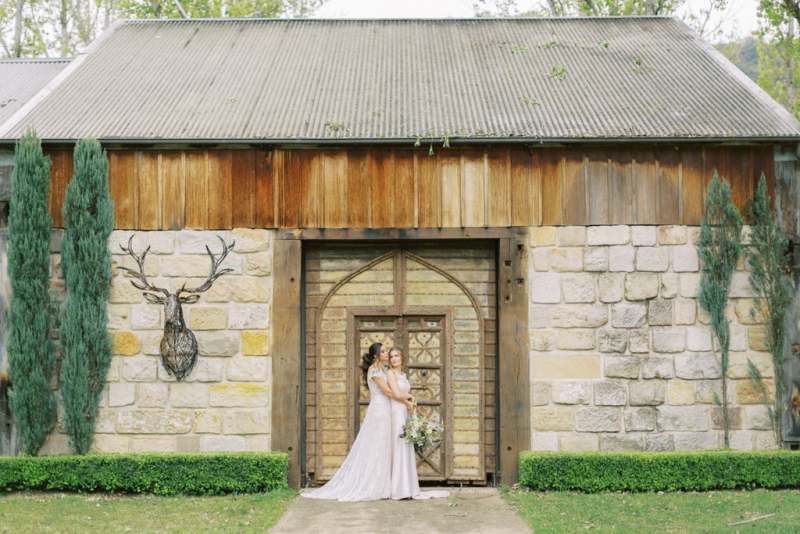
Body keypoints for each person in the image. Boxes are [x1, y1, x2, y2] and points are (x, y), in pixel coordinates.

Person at [302, 342, 412, 501]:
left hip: (387, 410)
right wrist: (405, 400)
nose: (386, 354)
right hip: (379, 410)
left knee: (384, 446)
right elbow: (388, 392)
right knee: (376, 445)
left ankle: (386, 484)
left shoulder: (384, 370)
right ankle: (373, 484)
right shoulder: (374, 370)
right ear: (375, 355)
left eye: (386, 351)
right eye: (383, 351)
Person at [386, 347, 449, 500]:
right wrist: (410, 398)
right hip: (396, 411)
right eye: (391, 356)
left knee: (406, 446)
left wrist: (411, 409)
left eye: (396, 356)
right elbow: (396, 393)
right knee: (399, 446)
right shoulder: (390, 373)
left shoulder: (403, 374)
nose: (394, 359)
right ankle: (398, 488)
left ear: (402, 357)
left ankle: (407, 486)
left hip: (406, 411)